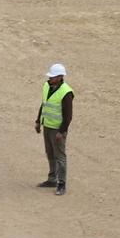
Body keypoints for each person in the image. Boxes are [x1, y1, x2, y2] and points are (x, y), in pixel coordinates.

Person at [35, 63, 73, 194]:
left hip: (57, 130)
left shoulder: (66, 92)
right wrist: (38, 121)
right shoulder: (47, 86)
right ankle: (52, 178)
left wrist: (61, 131)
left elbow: (68, 116)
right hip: (47, 126)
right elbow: (44, 104)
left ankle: (61, 183)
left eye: (52, 77)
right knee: (50, 153)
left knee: (60, 156)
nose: (50, 79)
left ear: (59, 77)